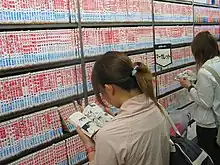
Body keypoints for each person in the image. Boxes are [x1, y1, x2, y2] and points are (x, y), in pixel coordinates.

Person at [77, 51, 170, 165]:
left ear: (109, 89)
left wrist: (90, 147)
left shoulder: (109, 136)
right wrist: (116, 119)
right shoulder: (158, 108)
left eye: (101, 93)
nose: (103, 97)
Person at [178, 31, 220, 164]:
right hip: (218, 118)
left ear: (200, 52)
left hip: (209, 123)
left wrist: (189, 86)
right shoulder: (216, 63)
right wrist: (196, 80)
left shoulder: (204, 71)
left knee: (209, 156)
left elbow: (205, 102)